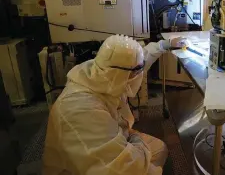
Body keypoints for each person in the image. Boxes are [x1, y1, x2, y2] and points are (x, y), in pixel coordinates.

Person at [42, 35, 187, 175]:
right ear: (127, 74)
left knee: (160, 149)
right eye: (137, 72)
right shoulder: (79, 109)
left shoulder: (107, 72)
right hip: (81, 168)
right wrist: (136, 141)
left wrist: (164, 45)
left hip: (116, 135)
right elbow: (122, 169)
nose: (140, 74)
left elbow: (140, 60)